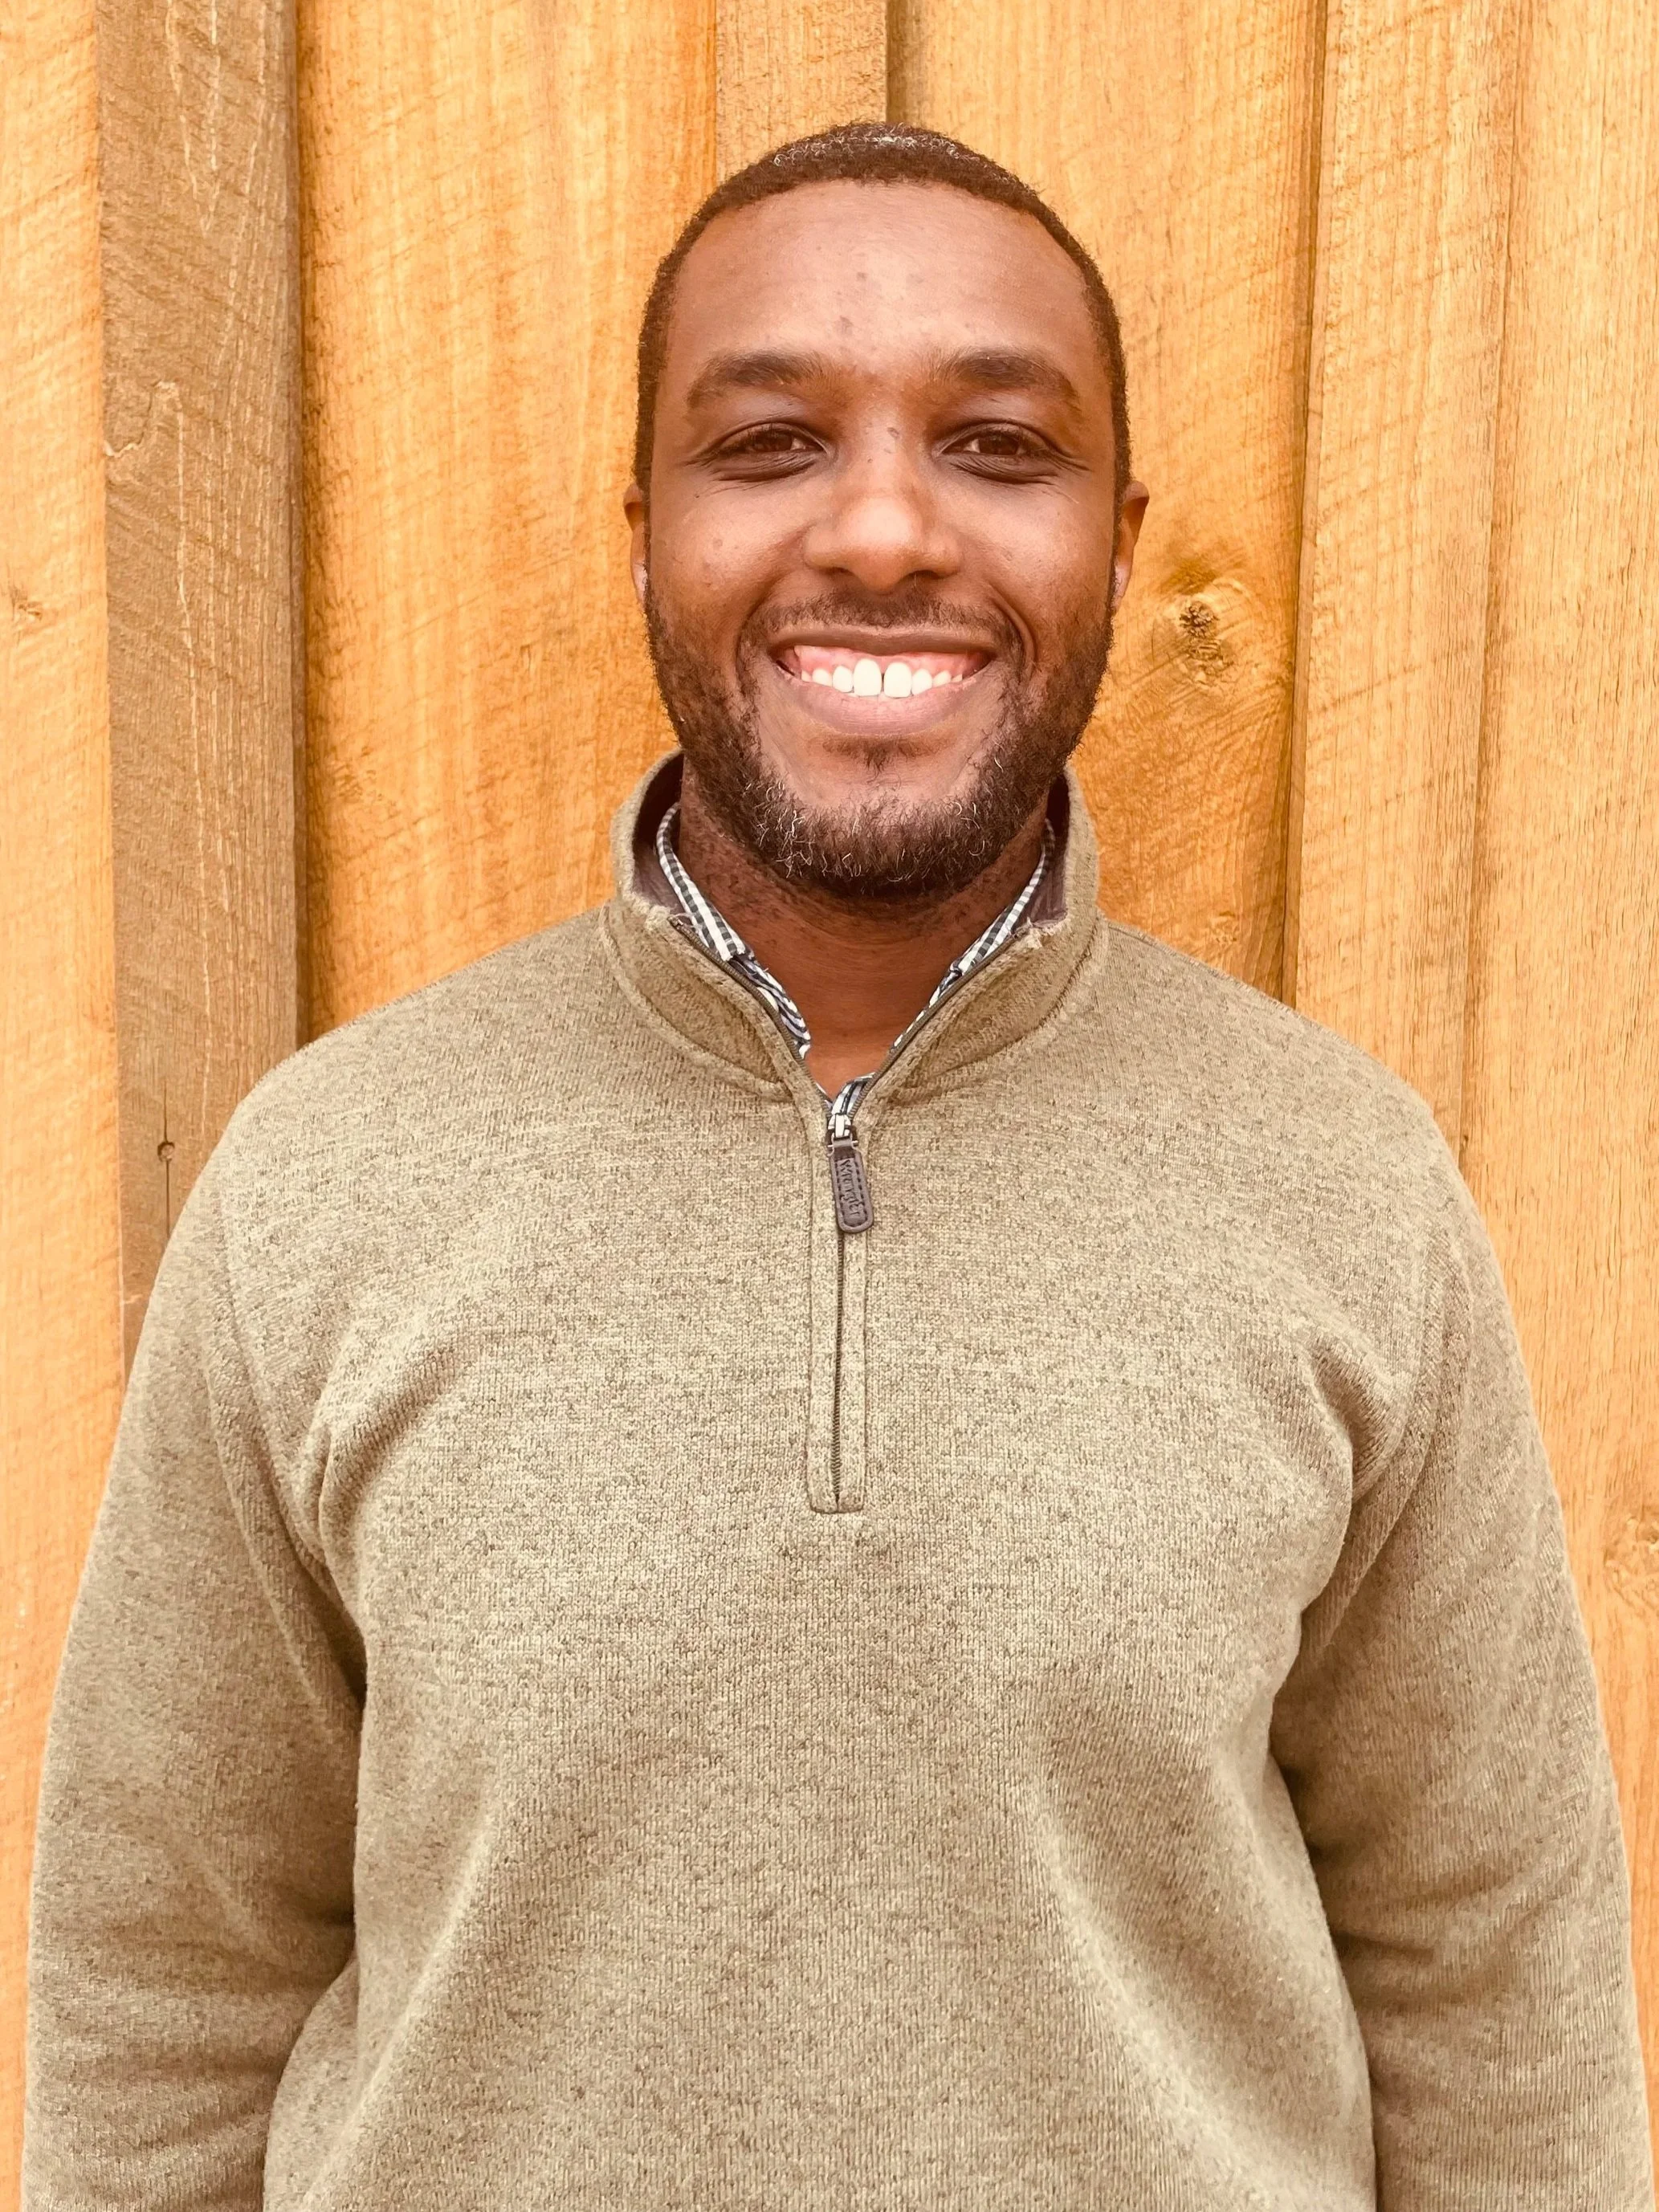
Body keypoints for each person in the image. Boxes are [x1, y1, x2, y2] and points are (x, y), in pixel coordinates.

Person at [23, 123, 1651, 2210]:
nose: (884, 528)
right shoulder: (326, 1184)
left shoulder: (1343, 1187)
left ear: (1121, 538)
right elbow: (167, 1995)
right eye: (772, 442)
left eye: (996, 443)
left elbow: (1494, 1987)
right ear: (642, 531)